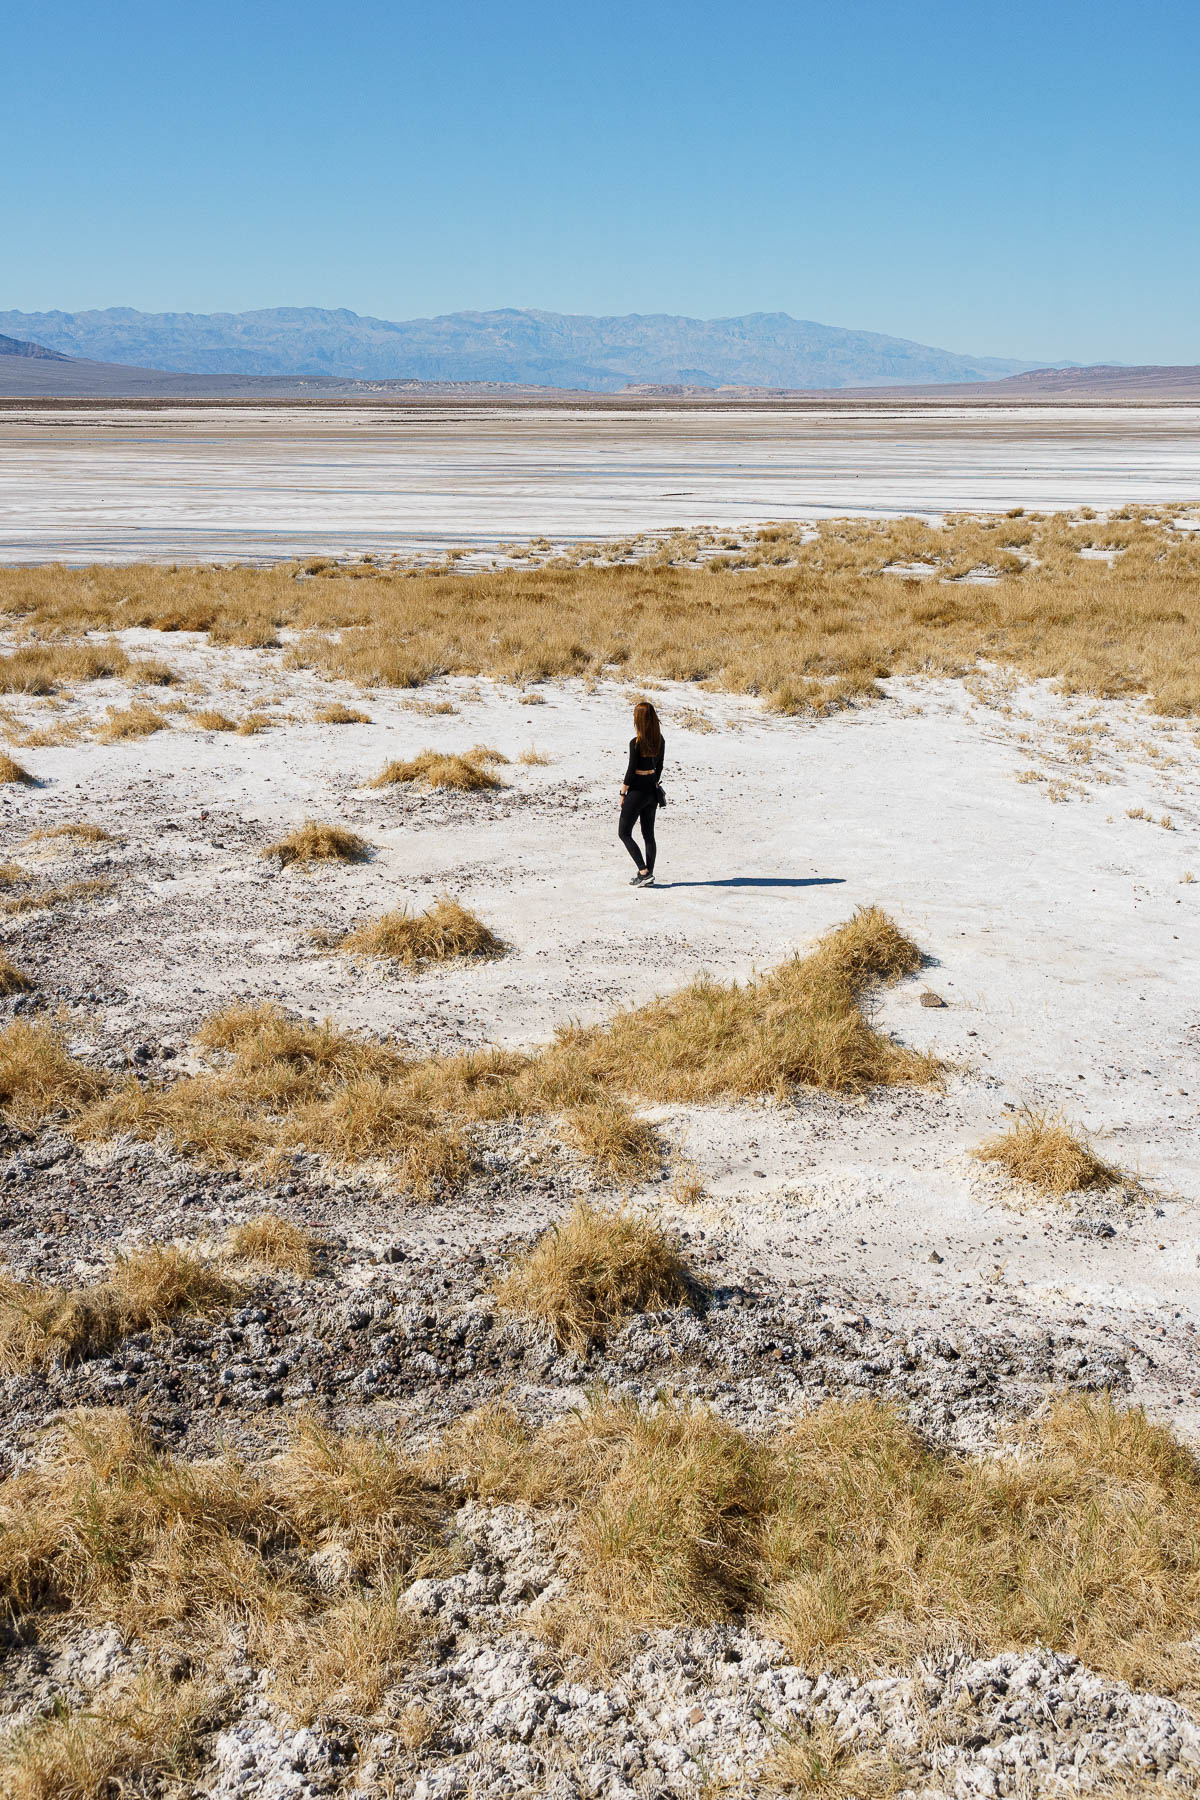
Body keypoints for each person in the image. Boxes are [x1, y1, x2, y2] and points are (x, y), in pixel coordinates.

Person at [619, 700, 664, 886]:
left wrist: (622, 793)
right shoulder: (660, 740)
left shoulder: (636, 743)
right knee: (648, 834)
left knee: (624, 833)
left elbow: (631, 770)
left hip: (637, 790)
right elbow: (659, 767)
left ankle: (643, 872)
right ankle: (649, 875)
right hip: (651, 791)